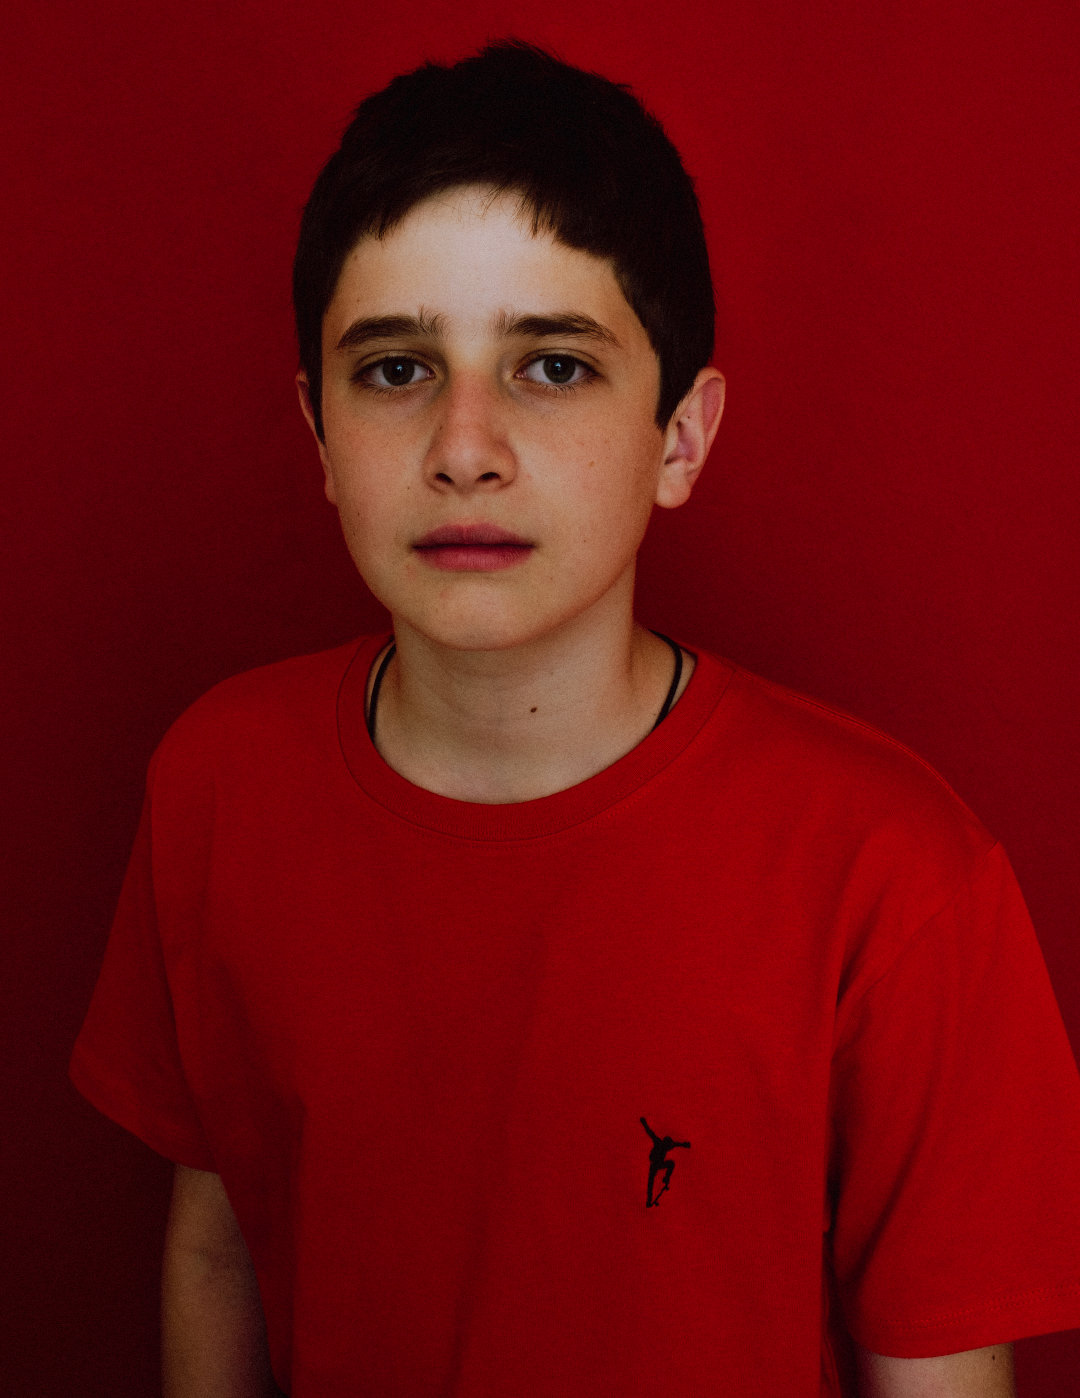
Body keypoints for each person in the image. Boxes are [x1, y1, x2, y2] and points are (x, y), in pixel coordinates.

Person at [70, 40, 1080, 1398]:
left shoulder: (896, 879)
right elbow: (220, 1243)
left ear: (681, 438)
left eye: (551, 365)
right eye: (395, 368)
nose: (464, 446)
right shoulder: (217, 782)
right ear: (318, 437)